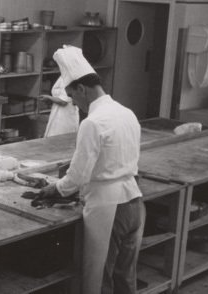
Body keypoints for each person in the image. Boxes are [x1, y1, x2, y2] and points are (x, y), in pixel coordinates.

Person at [35, 45, 144, 294]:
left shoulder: (93, 122)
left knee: (99, 277)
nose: (75, 103)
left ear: (81, 89)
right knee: (125, 276)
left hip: (109, 208)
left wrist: (56, 188)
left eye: (73, 97)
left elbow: (79, 175)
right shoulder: (126, 113)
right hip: (134, 202)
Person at [42, 45, 81, 137]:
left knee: (60, 141)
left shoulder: (70, 76)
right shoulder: (65, 74)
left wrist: (49, 98)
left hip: (65, 116)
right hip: (59, 113)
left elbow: (64, 102)